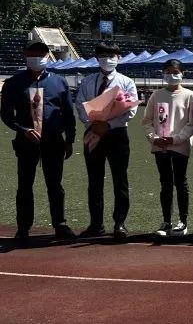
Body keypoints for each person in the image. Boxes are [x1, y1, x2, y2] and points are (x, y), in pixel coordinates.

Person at [1, 41, 76, 242]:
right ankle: (23, 228)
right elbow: (6, 115)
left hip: (53, 141)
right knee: (25, 185)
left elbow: (68, 114)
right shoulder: (13, 83)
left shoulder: (59, 82)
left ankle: (60, 224)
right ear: (25, 55)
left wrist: (69, 139)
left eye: (41, 54)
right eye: (32, 53)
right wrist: (23, 130)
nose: (37, 57)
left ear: (47, 56)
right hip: (26, 142)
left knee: (55, 185)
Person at [75, 42, 137, 239]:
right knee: (94, 180)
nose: (107, 59)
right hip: (93, 133)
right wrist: (92, 124)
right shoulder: (87, 82)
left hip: (117, 135)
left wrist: (108, 125)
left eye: (112, 56)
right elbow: (80, 105)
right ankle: (96, 224)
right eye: (103, 55)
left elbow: (131, 110)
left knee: (120, 180)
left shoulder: (127, 82)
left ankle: (120, 223)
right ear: (96, 58)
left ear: (119, 58)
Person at [141, 58, 193, 237]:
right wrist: (154, 138)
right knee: (165, 183)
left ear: (182, 74)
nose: (172, 75)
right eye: (168, 72)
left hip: (180, 146)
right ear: (163, 74)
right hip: (160, 147)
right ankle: (166, 221)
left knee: (180, 182)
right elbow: (147, 121)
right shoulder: (156, 95)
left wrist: (176, 139)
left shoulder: (190, 95)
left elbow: (191, 123)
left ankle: (183, 221)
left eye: (175, 72)